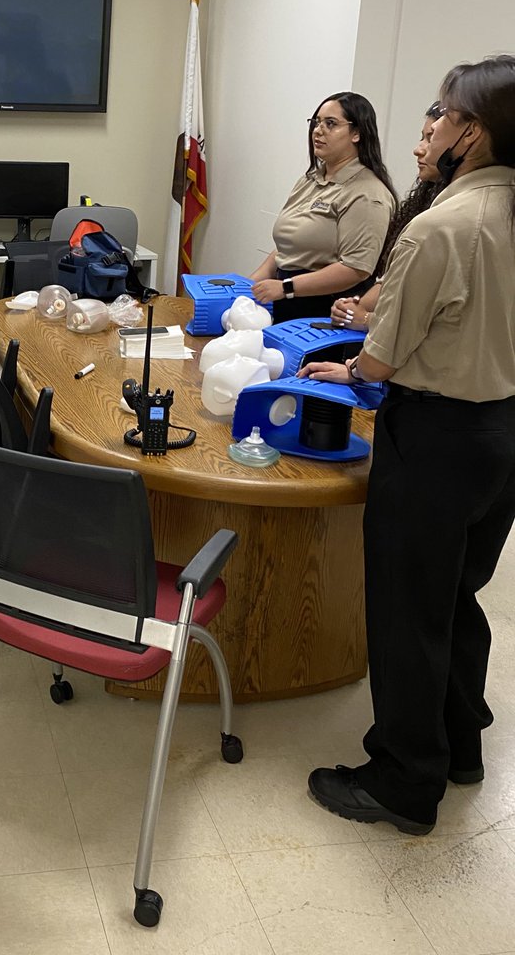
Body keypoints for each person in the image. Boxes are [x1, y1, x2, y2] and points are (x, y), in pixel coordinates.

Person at [300, 55, 515, 835]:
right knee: (456, 595)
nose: (432, 129)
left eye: (444, 115)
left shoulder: (441, 226)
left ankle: (403, 780)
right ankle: (460, 746)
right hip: (502, 432)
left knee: (406, 611)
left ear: (473, 131)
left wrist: (349, 366)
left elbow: (383, 360)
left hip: (435, 437)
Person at [251, 92, 397, 323]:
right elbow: (290, 249)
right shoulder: (311, 179)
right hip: (285, 298)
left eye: (331, 124)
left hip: (323, 310)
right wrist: (251, 285)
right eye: (316, 122)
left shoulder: (367, 193)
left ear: (357, 133)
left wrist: (285, 288)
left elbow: (355, 269)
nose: (318, 131)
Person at [331, 102, 444, 329]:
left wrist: (364, 318)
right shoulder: (424, 201)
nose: (419, 149)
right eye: (422, 137)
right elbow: (391, 277)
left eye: (431, 138)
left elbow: (418, 309)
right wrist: (356, 306)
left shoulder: (371, 194)